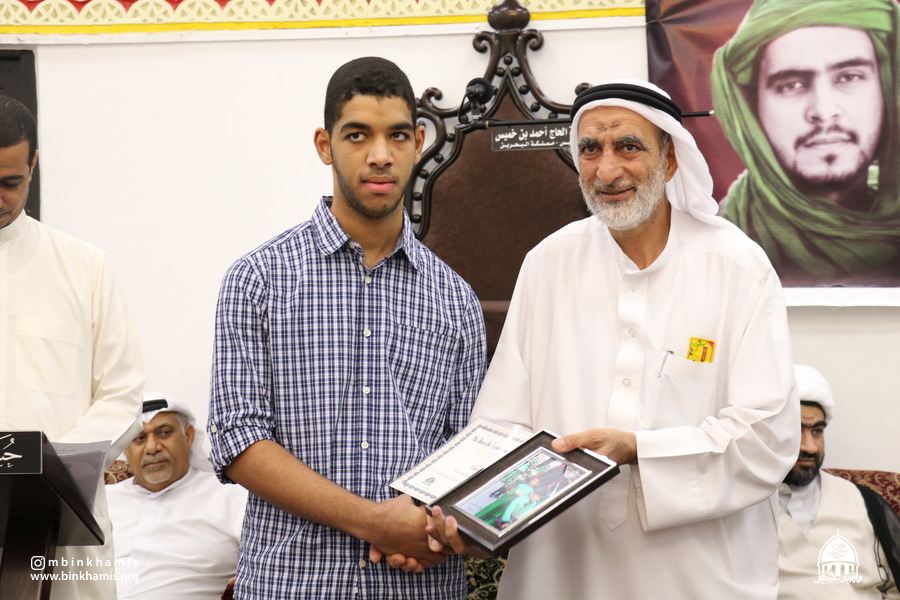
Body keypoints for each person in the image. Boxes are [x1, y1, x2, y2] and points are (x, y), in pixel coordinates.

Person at [427, 79, 800, 599]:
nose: (607, 170)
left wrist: (638, 450)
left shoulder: (737, 268)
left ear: (670, 160)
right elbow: (503, 421)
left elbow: (766, 438)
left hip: (697, 577)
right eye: (590, 149)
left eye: (628, 146)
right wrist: (473, 515)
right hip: (560, 573)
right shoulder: (549, 263)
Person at [207, 56, 486, 599]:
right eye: (357, 135)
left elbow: (467, 452)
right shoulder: (258, 279)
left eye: (397, 135)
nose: (380, 155)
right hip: (291, 584)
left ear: (419, 143)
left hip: (418, 586)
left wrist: (435, 530)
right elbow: (239, 441)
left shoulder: (456, 300)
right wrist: (376, 523)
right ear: (324, 145)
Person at [0, 95, 145, 599]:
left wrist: (46, 472)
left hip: (62, 534)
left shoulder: (84, 267)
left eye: (10, 182)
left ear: (33, 165)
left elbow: (122, 394)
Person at [710, 0, 900, 286]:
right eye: (791, 85)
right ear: (752, 106)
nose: (823, 111)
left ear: (885, 88)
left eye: (849, 77)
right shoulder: (720, 245)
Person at [106, 393, 246, 599]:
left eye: (164, 433)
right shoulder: (101, 501)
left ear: (188, 436)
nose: (152, 448)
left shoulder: (232, 496)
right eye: (139, 438)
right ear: (125, 448)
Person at [778, 365, 899, 599]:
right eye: (796, 430)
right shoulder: (741, 505)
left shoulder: (864, 500)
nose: (809, 447)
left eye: (817, 431)